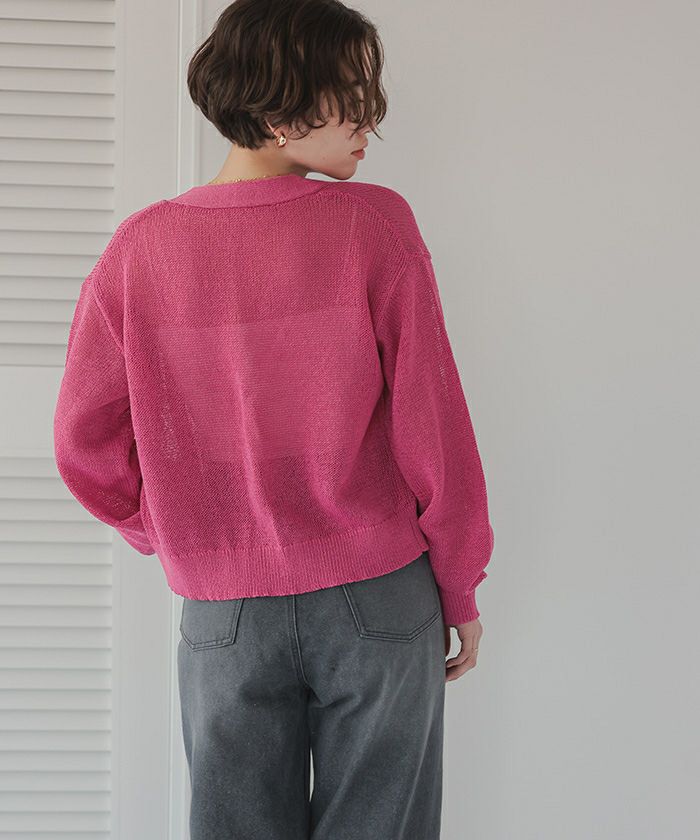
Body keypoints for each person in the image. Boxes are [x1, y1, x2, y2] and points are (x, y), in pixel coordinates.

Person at [53, 0, 495, 837]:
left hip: (224, 613)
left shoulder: (139, 251)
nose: (370, 121)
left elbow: (84, 443)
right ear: (281, 109)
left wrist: (178, 532)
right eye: (351, 97)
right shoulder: (374, 226)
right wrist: (460, 583)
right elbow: (433, 425)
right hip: (378, 594)